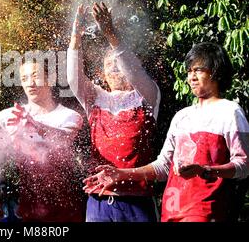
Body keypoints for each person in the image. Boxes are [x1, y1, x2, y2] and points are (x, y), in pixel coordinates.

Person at [85, 42, 249, 222]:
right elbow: (163, 167)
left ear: (216, 72)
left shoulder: (230, 111)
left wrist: (205, 170)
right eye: (189, 71)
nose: (191, 77)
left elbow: (244, 166)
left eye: (198, 70)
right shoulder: (181, 117)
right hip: (172, 211)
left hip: (207, 211)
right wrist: (121, 173)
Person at [67, 2, 161, 222]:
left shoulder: (147, 95)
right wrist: (75, 38)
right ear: (102, 73)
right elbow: (73, 79)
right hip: (99, 200)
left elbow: (134, 72)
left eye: (120, 64)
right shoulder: (96, 98)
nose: (115, 69)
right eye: (110, 65)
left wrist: (111, 35)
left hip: (137, 200)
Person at [0, 59, 84, 222]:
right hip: (30, 209)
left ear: (50, 79)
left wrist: (37, 125)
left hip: (65, 208)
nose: (30, 83)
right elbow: (1, 119)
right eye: (24, 79)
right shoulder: (11, 116)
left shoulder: (69, 116)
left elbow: (63, 141)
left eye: (35, 76)